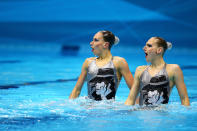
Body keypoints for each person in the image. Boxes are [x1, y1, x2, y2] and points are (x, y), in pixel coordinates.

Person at [125, 37, 190, 106]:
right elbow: (131, 99)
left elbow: (184, 98)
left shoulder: (173, 69)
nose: (144, 48)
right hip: (141, 114)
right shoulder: (140, 70)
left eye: (149, 46)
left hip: (161, 115)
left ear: (159, 50)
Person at [69, 30, 134, 100]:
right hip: (88, 108)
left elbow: (134, 91)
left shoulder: (119, 62)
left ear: (105, 44)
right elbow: (76, 90)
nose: (91, 43)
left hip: (109, 109)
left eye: (95, 40)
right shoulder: (88, 62)